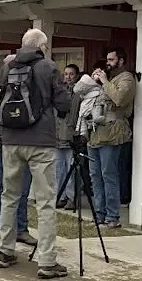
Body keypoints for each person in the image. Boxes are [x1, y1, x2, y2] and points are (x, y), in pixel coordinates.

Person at [0, 28, 72, 279]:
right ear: (42, 47)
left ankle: (5, 250)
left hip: (11, 139)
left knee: (9, 196)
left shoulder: (7, 66)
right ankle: (47, 261)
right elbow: (63, 104)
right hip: (41, 141)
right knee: (45, 201)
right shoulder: (48, 67)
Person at [0, 64, 36, 246]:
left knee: (24, 189)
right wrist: (8, 123)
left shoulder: (30, 92)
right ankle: (1, 230)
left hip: (26, 145)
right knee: (4, 189)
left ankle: (21, 229)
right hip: (2, 144)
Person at [89, 47, 136, 229]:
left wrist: (104, 81)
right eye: (107, 59)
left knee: (109, 175)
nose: (107, 63)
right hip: (94, 131)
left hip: (113, 131)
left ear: (121, 60)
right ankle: (99, 214)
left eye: (111, 59)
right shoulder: (104, 79)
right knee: (95, 176)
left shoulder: (127, 79)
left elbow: (119, 99)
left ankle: (112, 217)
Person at [55, 64, 79, 209]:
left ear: (76, 75)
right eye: (66, 74)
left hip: (70, 135)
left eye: (71, 74)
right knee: (59, 169)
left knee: (71, 169)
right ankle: (60, 195)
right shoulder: (60, 91)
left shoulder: (78, 93)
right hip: (58, 134)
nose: (68, 77)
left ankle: (71, 197)